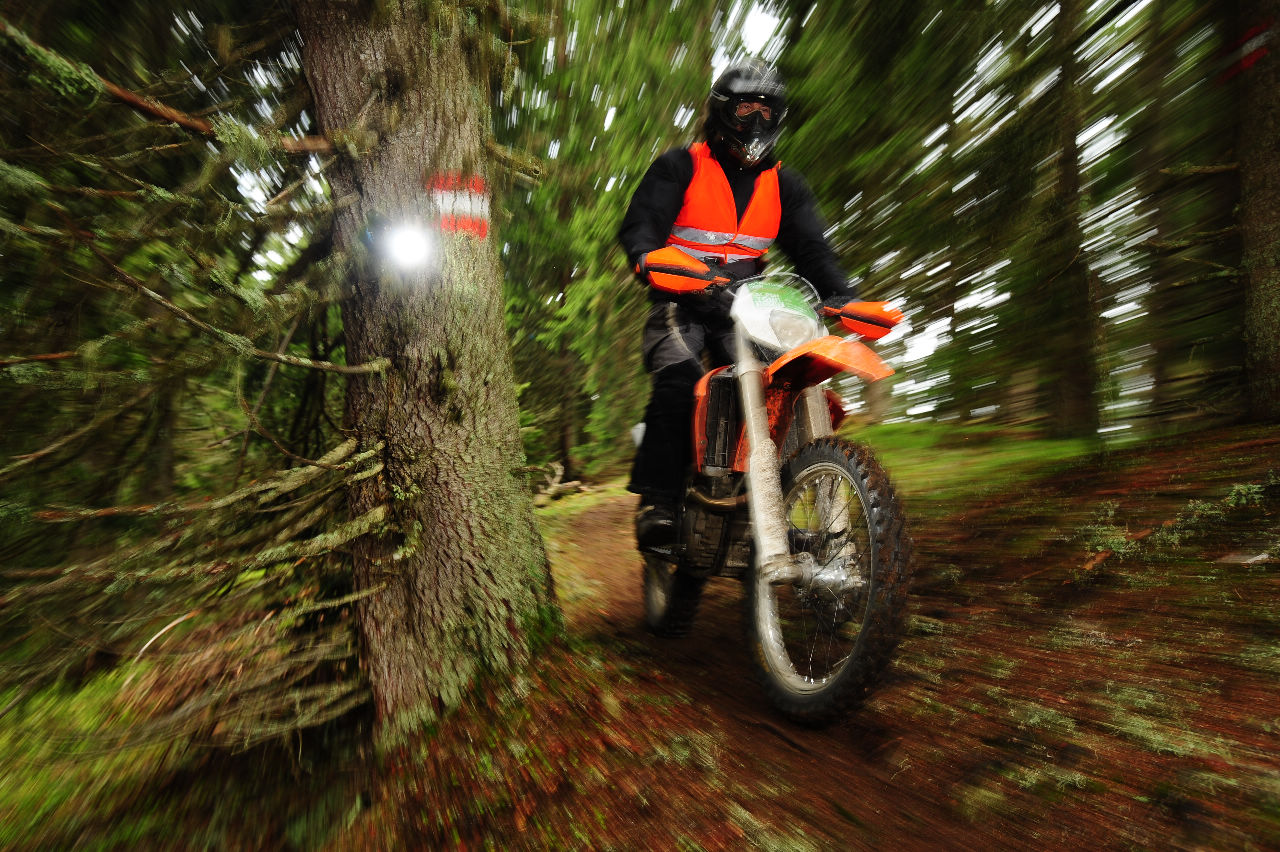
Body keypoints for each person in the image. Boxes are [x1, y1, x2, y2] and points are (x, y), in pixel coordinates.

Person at [618, 59, 857, 548]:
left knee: (780, 388)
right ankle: (659, 502)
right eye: (747, 107)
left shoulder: (784, 184)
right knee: (680, 379)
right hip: (681, 299)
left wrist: (842, 296)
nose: (757, 119)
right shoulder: (680, 166)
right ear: (722, 110)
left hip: (746, 307)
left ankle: (773, 502)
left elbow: (813, 250)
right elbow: (642, 225)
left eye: (767, 110)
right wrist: (646, 254)